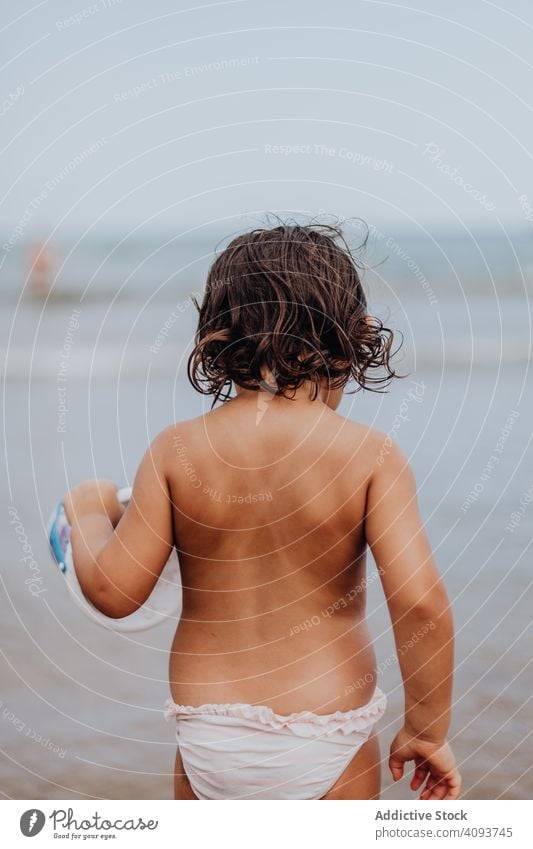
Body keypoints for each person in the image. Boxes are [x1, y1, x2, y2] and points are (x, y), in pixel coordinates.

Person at [63, 221, 461, 800]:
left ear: (217, 339)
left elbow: (113, 592)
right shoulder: (370, 457)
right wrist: (427, 728)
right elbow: (420, 601)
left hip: (208, 733)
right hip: (328, 728)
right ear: (350, 338)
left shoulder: (176, 450)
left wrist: (87, 510)